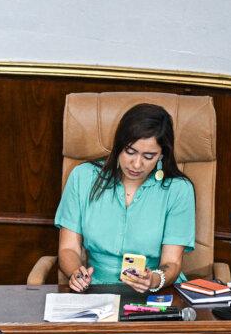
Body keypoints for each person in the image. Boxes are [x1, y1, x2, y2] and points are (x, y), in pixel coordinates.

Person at [55, 103, 196, 294]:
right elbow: (68, 249)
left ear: (162, 155)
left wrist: (154, 280)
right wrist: (76, 274)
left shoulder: (179, 190)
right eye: (130, 151)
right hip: (95, 288)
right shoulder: (83, 177)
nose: (136, 164)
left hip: (154, 294)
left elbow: (171, 262)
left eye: (149, 156)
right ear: (118, 145)